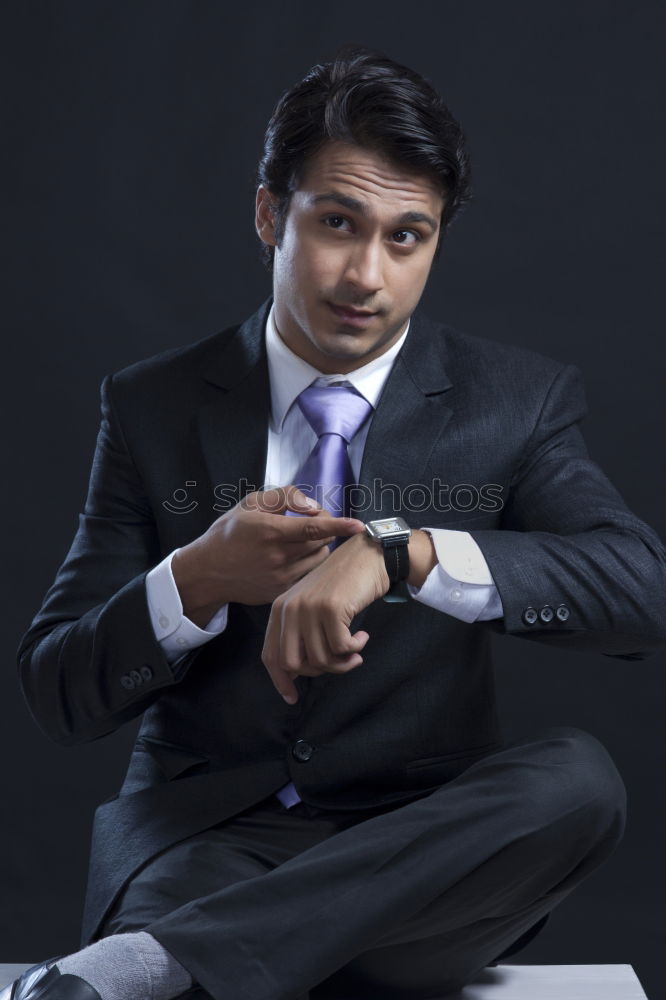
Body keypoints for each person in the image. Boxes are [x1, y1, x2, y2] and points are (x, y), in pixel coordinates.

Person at [8, 45, 666, 1000]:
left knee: (580, 780)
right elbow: (57, 689)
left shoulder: (514, 402)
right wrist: (197, 576)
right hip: (210, 846)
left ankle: (174, 965)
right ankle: (238, 953)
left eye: (408, 237)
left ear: (438, 241)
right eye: (337, 223)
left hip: (427, 851)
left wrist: (404, 555)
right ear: (272, 213)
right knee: (257, 932)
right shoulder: (153, 406)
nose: (367, 273)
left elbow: (642, 588)